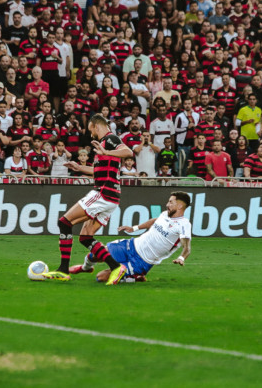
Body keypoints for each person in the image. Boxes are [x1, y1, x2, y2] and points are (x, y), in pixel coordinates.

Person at [43, 114, 133, 285]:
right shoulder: (103, 146)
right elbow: (96, 171)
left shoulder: (110, 139)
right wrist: (79, 167)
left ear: (94, 125)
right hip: (111, 198)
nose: (89, 133)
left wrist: (106, 151)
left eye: (90, 128)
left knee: (64, 222)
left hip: (103, 193)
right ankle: (116, 267)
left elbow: (128, 152)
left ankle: (63, 269)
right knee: (85, 237)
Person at [69, 192, 192, 283]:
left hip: (142, 261)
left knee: (101, 278)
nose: (167, 204)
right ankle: (85, 268)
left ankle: (135, 277)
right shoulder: (165, 214)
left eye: (171, 202)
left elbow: (187, 247)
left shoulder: (184, 224)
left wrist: (181, 257)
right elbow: (155, 221)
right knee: (95, 254)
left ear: (180, 206)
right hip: (131, 245)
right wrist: (134, 228)